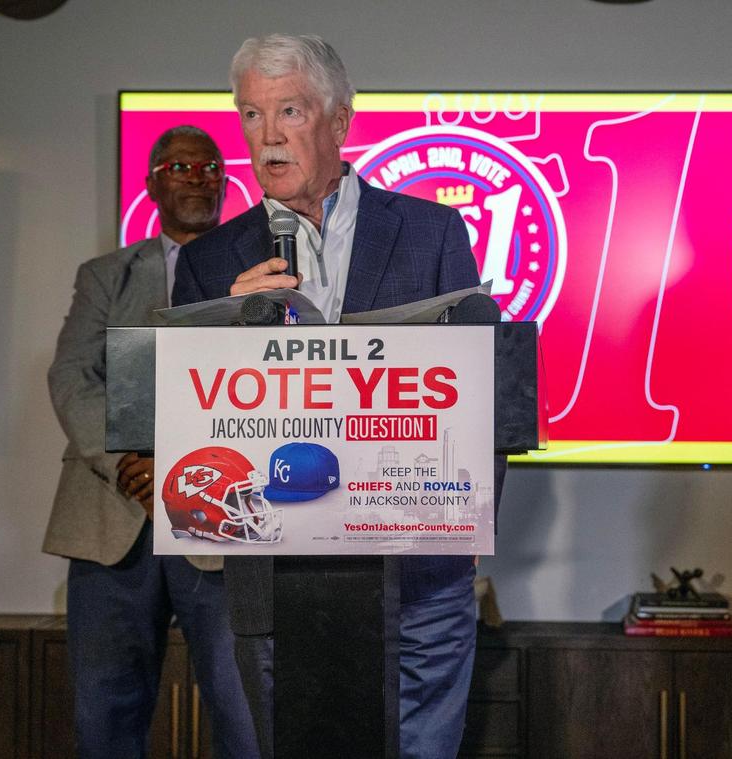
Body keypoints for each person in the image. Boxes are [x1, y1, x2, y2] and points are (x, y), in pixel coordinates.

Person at [172, 34, 481, 759]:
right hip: (272, 585)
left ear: (340, 121)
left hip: (420, 583)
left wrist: (462, 523)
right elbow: (183, 424)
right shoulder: (211, 262)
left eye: (290, 111)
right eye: (251, 115)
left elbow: (488, 392)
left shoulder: (432, 233)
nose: (269, 136)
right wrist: (228, 328)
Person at [44, 126, 259, 758]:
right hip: (116, 516)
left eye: (208, 166)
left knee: (242, 712)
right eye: (179, 165)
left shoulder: (261, 274)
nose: (196, 176)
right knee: (105, 715)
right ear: (152, 183)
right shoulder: (107, 274)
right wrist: (126, 463)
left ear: (224, 179)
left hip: (227, 517)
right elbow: (71, 374)